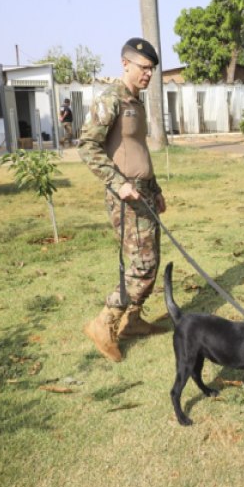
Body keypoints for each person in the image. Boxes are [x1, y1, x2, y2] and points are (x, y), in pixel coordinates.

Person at [78, 37, 167, 362]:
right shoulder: (110, 99)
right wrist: (118, 183)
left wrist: (155, 190)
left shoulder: (136, 102)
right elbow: (88, 146)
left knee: (150, 259)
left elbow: (138, 150)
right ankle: (104, 323)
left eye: (152, 69)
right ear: (125, 63)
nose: (148, 74)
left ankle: (133, 320)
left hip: (143, 193)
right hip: (125, 197)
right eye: (143, 68)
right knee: (142, 266)